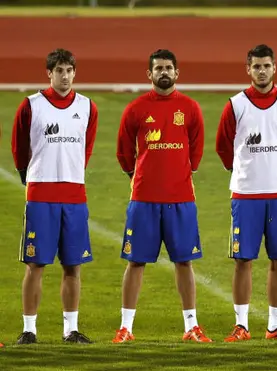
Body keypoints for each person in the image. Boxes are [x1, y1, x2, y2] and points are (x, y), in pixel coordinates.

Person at [113, 49, 211, 343]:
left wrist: (178, 175)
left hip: (181, 199)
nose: (164, 72)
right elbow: (123, 151)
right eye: (158, 68)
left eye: (168, 67)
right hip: (143, 199)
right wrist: (139, 176)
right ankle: (126, 327)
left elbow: (196, 152)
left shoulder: (190, 108)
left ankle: (191, 326)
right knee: (135, 262)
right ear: (150, 74)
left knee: (184, 262)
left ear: (177, 73)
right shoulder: (136, 108)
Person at [215, 44, 277, 342]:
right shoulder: (236, 104)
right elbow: (223, 146)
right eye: (256, 66)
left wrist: (275, 168)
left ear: (274, 68)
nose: (262, 71)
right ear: (248, 70)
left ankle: (275, 325)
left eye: (266, 66)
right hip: (246, 195)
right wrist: (244, 171)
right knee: (243, 260)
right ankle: (241, 325)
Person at [11, 48, 98, 345]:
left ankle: (70, 329)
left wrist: (73, 172)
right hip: (41, 194)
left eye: (69, 70)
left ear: (75, 73)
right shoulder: (32, 105)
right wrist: (29, 174)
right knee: (35, 264)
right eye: (59, 70)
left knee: (73, 265)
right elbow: (19, 147)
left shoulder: (87, 107)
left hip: (74, 195)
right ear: (49, 73)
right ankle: (29, 329)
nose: (64, 76)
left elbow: (86, 148)